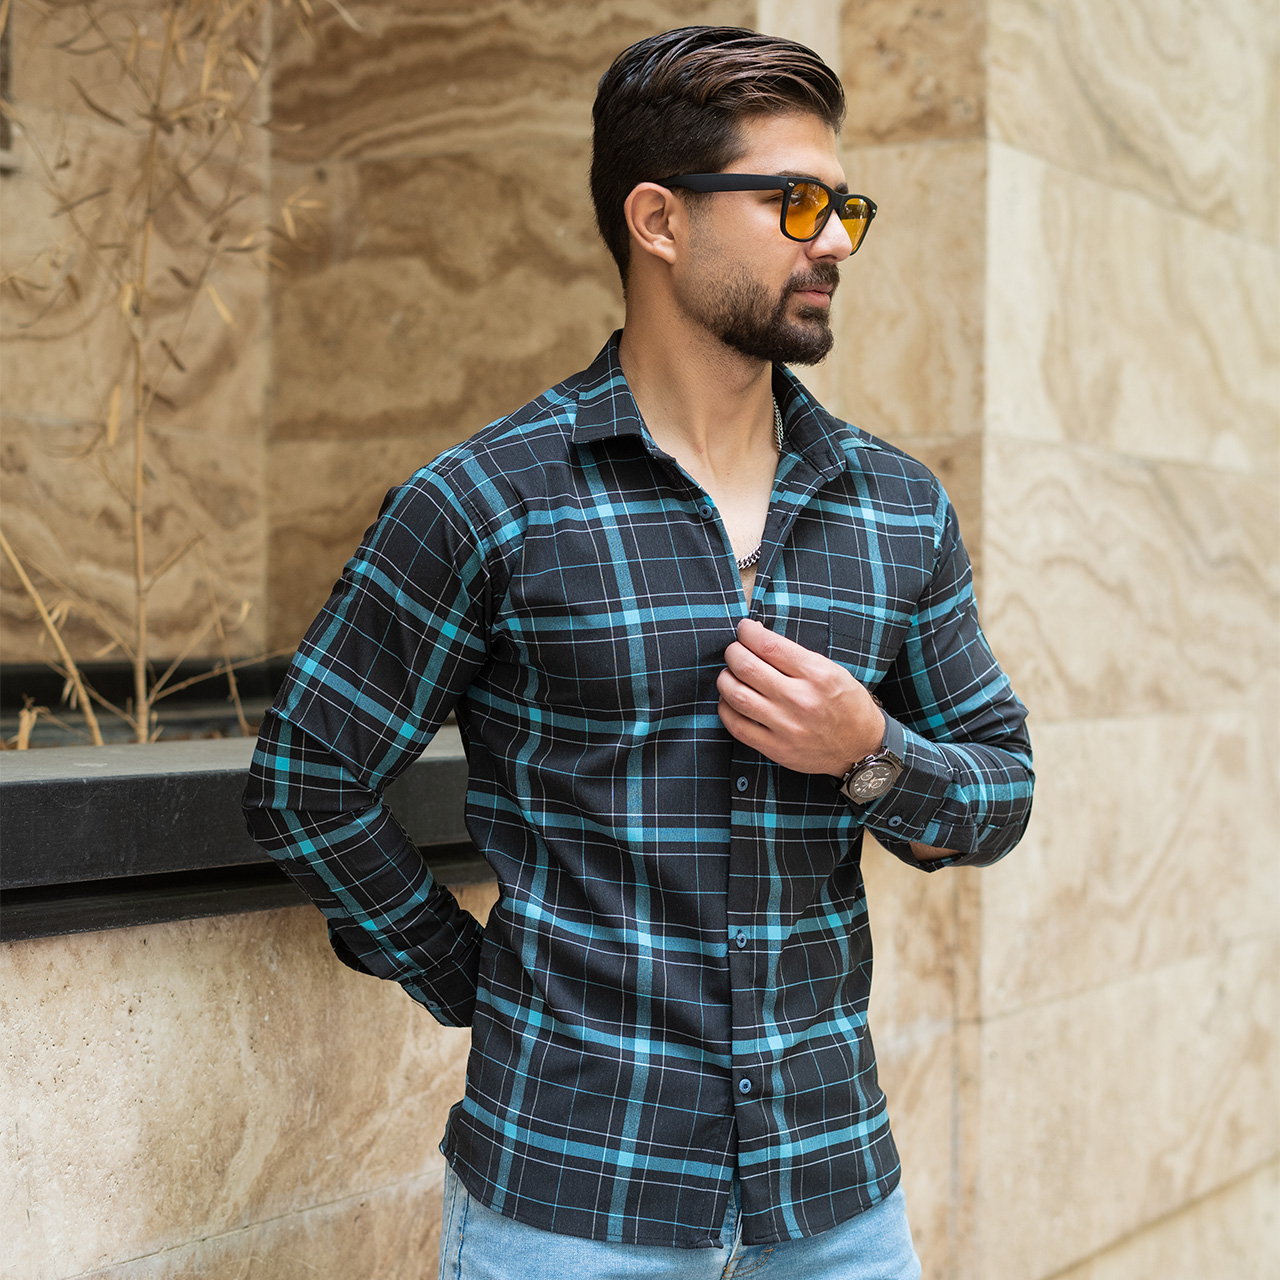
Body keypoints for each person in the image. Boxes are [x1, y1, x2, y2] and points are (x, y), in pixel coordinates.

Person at [243, 25, 1033, 1280]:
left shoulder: (892, 506)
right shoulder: (490, 499)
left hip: (831, 1201)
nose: (833, 240)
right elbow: (307, 778)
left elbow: (999, 788)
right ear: (657, 219)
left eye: (842, 207)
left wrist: (870, 753)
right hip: (570, 1202)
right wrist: (478, 982)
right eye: (793, 202)